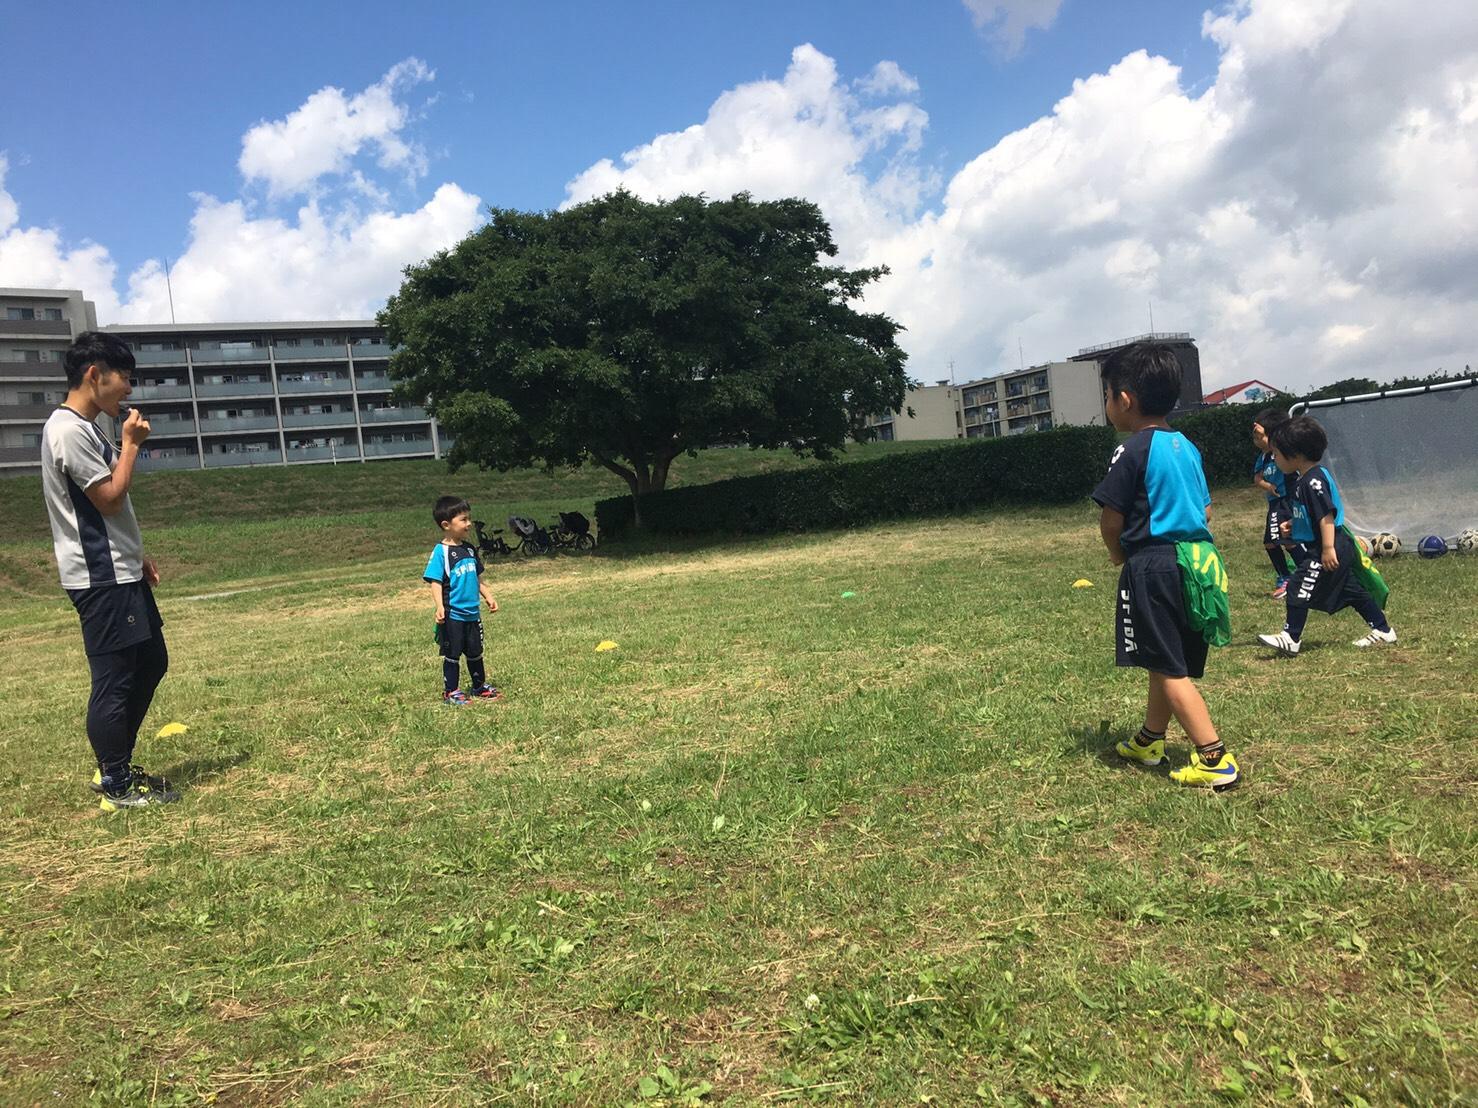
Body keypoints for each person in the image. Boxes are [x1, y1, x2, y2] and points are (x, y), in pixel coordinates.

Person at [40, 332, 179, 810]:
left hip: (119, 569)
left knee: (151, 662)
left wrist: (135, 554)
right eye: (125, 379)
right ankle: (115, 781)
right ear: (94, 374)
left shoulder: (87, 426)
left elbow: (103, 509)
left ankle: (116, 764)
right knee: (115, 675)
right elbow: (110, 497)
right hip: (100, 577)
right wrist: (132, 445)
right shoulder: (68, 430)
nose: (129, 390)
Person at [1092, 343, 1239, 790]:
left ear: (1125, 400)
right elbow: (1207, 511)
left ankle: (1214, 757)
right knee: (1165, 657)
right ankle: (1150, 740)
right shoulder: (1186, 447)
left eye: (1107, 394)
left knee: (1171, 670)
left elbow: (1110, 519)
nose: (1107, 404)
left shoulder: (1130, 450)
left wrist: (1121, 557)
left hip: (1153, 565)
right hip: (1200, 563)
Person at [1257, 416, 1397, 655]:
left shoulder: (1313, 481)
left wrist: (1327, 549)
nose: (1276, 459)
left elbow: (1326, 516)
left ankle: (1291, 637)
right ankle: (1383, 630)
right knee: (1351, 591)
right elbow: (1313, 515)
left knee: (1298, 586)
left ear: (1296, 454)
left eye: (1278, 454)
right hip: (1330, 543)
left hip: (1327, 546)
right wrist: (1294, 524)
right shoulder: (1306, 479)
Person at [424, 496, 502, 705]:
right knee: (453, 653)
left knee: (475, 651)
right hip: (453, 614)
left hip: (472, 613)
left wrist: (488, 595)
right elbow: (435, 581)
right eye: (463, 519)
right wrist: (440, 606)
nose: (469, 524)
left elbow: (477, 578)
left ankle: (479, 687)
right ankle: (451, 691)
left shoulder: (469, 549)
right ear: (446, 525)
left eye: (469, 519)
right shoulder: (441, 552)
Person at [1250, 408, 1301, 599]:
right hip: (1274, 503)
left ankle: (1300, 575)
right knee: (1272, 542)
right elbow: (1257, 478)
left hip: (1286, 502)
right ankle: (1285, 576)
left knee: (1285, 540)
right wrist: (1268, 486)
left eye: (1259, 436)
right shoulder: (1263, 458)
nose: (1255, 440)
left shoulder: (1283, 453)